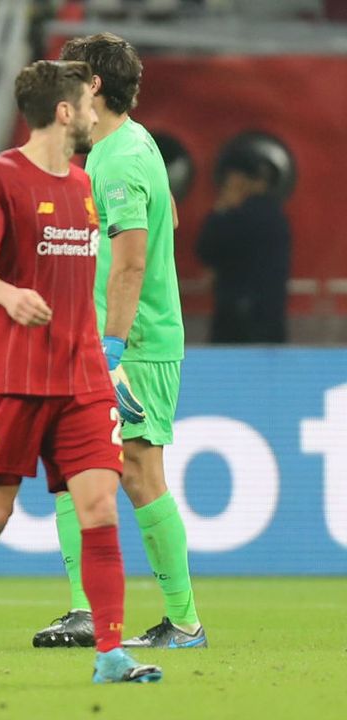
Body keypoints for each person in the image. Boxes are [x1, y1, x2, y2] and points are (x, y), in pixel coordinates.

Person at [0, 59, 162, 684]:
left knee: (100, 509)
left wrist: (107, 364)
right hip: (15, 379)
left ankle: (110, 653)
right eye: (87, 105)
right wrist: (7, 295)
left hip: (83, 379)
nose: (95, 114)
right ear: (64, 112)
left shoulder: (86, 185)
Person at [37, 33, 204, 650]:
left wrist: (111, 349)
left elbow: (132, 262)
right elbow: (169, 224)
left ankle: (184, 621)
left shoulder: (123, 158)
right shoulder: (113, 149)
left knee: (139, 471)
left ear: (94, 88)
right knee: (70, 463)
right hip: (98, 337)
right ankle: (85, 610)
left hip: (132, 345)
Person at [196, 154, 291, 344]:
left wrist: (221, 211)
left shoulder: (237, 217)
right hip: (271, 316)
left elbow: (205, 250)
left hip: (238, 318)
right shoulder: (277, 215)